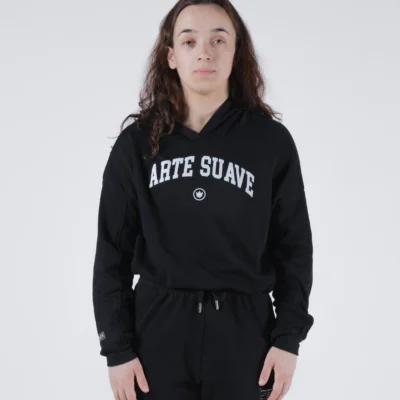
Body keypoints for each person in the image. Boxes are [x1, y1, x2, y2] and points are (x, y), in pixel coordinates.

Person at [92, 1, 314, 399]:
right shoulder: (137, 144)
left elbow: (294, 247)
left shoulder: (270, 142)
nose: (204, 52)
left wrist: (288, 338)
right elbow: (112, 251)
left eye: (218, 39)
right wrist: (117, 349)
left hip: (246, 334)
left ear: (236, 52)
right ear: (172, 56)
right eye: (189, 41)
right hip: (156, 331)